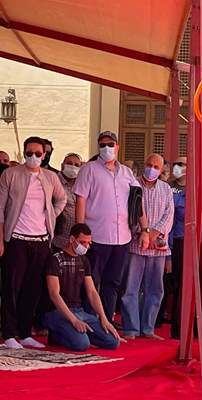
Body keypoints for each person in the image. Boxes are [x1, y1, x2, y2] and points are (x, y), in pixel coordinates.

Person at [0, 136, 66, 349]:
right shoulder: (10, 174)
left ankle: (25, 332)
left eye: (37, 153)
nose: (33, 157)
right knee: (11, 287)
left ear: (44, 155)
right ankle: (9, 333)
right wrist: (0, 239)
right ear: (23, 153)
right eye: (29, 153)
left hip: (41, 240)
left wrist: (51, 215)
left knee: (32, 289)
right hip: (16, 239)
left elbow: (62, 198)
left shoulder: (50, 177)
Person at [74, 131, 149, 321]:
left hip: (121, 237)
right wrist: (80, 231)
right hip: (96, 236)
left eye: (110, 144)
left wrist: (145, 229)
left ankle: (107, 322)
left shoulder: (126, 172)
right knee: (91, 281)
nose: (106, 148)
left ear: (117, 146)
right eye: (102, 144)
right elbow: (80, 200)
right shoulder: (89, 169)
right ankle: (90, 321)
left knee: (113, 283)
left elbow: (137, 202)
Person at [121, 154, 174, 340]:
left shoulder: (166, 189)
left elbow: (169, 215)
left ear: (161, 170)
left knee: (155, 289)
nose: (152, 169)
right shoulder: (133, 185)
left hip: (158, 246)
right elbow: (129, 213)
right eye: (149, 165)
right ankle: (131, 328)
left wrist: (151, 233)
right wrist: (141, 232)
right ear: (144, 165)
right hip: (136, 245)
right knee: (131, 288)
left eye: (156, 167)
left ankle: (148, 329)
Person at [45, 224, 121, 351]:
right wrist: (74, 320)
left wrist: (103, 317)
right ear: (72, 239)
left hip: (79, 311)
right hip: (58, 312)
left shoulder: (84, 261)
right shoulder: (55, 259)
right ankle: (58, 335)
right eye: (82, 242)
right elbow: (54, 294)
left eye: (88, 243)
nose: (86, 246)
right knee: (82, 344)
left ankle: (76, 333)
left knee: (113, 341)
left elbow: (92, 292)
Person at [169, 156, 187, 339]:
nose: (177, 167)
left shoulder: (193, 190)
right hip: (165, 240)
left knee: (180, 285)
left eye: (181, 164)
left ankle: (178, 326)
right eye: (176, 163)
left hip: (182, 241)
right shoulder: (168, 186)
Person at [52, 153, 83, 251]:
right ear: (62, 165)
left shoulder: (81, 184)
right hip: (58, 239)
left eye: (76, 165)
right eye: (69, 163)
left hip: (77, 241)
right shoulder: (54, 181)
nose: (73, 167)